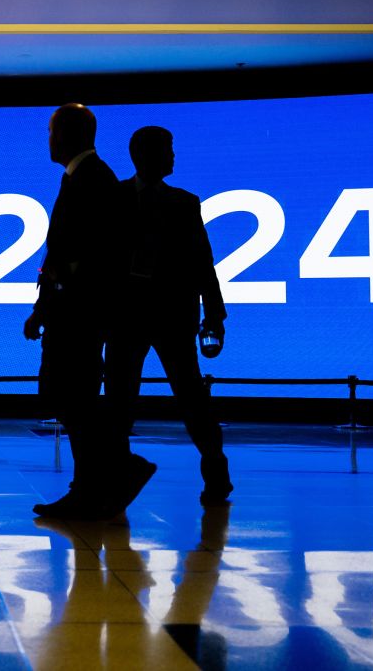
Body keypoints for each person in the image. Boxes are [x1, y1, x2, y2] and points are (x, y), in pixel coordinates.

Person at [110, 125, 233, 506]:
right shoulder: (119, 199)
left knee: (189, 396)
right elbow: (202, 264)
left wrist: (214, 312)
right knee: (120, 397)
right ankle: (116, 473)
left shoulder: (182, 202)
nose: (174, 157)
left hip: (163, 317)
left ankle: (215, 468)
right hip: (134, 316)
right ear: (147, 155)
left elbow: (203, 263)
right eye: (169, 150)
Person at [24, 103, 129, 520]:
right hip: (72, 310)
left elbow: (86, 254)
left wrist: (55, 294)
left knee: (77, 400)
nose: (48, 140)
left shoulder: (92, 180)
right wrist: (43, 306)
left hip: (80, 313)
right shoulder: (82, 178)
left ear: (66, 134)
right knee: (74, 400)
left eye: (52, 131)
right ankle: (93, 484)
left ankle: (92, 486)